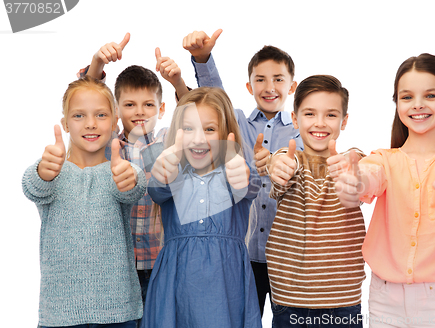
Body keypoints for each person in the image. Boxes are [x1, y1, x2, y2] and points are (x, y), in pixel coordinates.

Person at [336, 53, 435, 327]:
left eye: (430, 95)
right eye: (406, 97)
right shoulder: (382, 159)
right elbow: (369, 177)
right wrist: (354, 184)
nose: (417, 105)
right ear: (397, 104)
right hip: (385, 298)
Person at [183, 29, 303, 316]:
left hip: (286, 254)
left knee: (289, 319)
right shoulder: (237, 123)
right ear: (249, 87)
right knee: (240, 317)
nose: (269, 86)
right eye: (260, 79)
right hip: (244, 252)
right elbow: (215, 96)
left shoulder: (301, 129)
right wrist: (202, 59)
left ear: (292, 85)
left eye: (278, 79)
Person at [80, 33, 191, 318]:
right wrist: (97, 64)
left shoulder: (169, 141)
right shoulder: (106, 146)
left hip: (161, 262)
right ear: (116, 110)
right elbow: (85, 101)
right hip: (117, 265)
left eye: (149, 105)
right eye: (129, 105)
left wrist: (177, 82)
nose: (139, 112)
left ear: (163, 109)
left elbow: (197, 115)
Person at [23, 76, 146, 328]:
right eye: (79, 116)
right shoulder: (52, 172)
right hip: (60, 315)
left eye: (101, 115)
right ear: (65, 124)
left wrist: (130, 179)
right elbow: (33, 187)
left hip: (118, 313)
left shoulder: (122, 170)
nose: (90, 124)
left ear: (113, 122)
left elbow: (134, 188)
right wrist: (43, 172)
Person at [141, 87, 262, 328]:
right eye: (188, 129)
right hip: (175, 290)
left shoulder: (236, 173)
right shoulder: (171, 175)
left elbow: (249, 183)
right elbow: (157, 188)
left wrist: (241, 174)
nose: (198, 139)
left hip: (225, 290)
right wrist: (164, 173)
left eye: (209, 129)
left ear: (226, 133)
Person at [266, 75, 365, 327]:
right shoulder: (290, 159)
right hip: (290, 300)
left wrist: (356, 174)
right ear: (295, 119)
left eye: (331, 115)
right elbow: (279, 166)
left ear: (344, 122)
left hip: (343, 301)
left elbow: (364, 171)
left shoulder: (352, 162)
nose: (320, 123)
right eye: (310, 114)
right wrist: (276, 165)